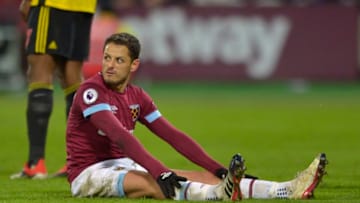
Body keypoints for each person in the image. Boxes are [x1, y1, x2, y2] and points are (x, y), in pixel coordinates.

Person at [65, 32, 328, 200]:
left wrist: (218, 169)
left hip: (126, 166)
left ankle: (285, 189)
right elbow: (120, 137)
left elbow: (173, 136)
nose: (110, 65)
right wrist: (159, 171)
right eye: (107, 58)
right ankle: (216, 196)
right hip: (89, 173)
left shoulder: (137, 96)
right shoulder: (91, 91)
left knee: (207, 177)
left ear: (134, 65)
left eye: (119, 60)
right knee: (153, 182)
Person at [11, 0, 97, 179]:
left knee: (39, 71)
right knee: (72, 76)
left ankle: (35, 163)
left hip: (52, 4)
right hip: (84, 7)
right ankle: (78, 161)